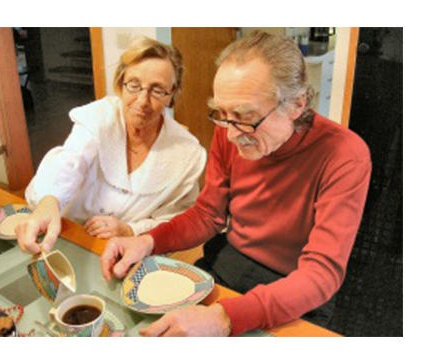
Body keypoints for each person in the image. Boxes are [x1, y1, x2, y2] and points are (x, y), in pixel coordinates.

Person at [101, 30, 372, 337]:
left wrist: (224, 318)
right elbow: (207, 215)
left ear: (297, 104)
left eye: (246, 116)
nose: (230, 134)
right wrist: (147, 241)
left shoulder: (345, 155)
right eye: (222, 113)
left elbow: (321, 273)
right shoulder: (231, 127)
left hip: (296, 286)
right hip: (229, 261)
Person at [16, 37, 207, 255]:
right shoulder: (99, 116)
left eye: (157, 90)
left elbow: (178, 217)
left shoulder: (187, 152)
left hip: (128, 251)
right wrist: (49, 202)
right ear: (121, 84)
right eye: (134, 85)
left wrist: (129, 229)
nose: (142, 101)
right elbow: (70, 160)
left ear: (171, 94)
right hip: (67, 232)